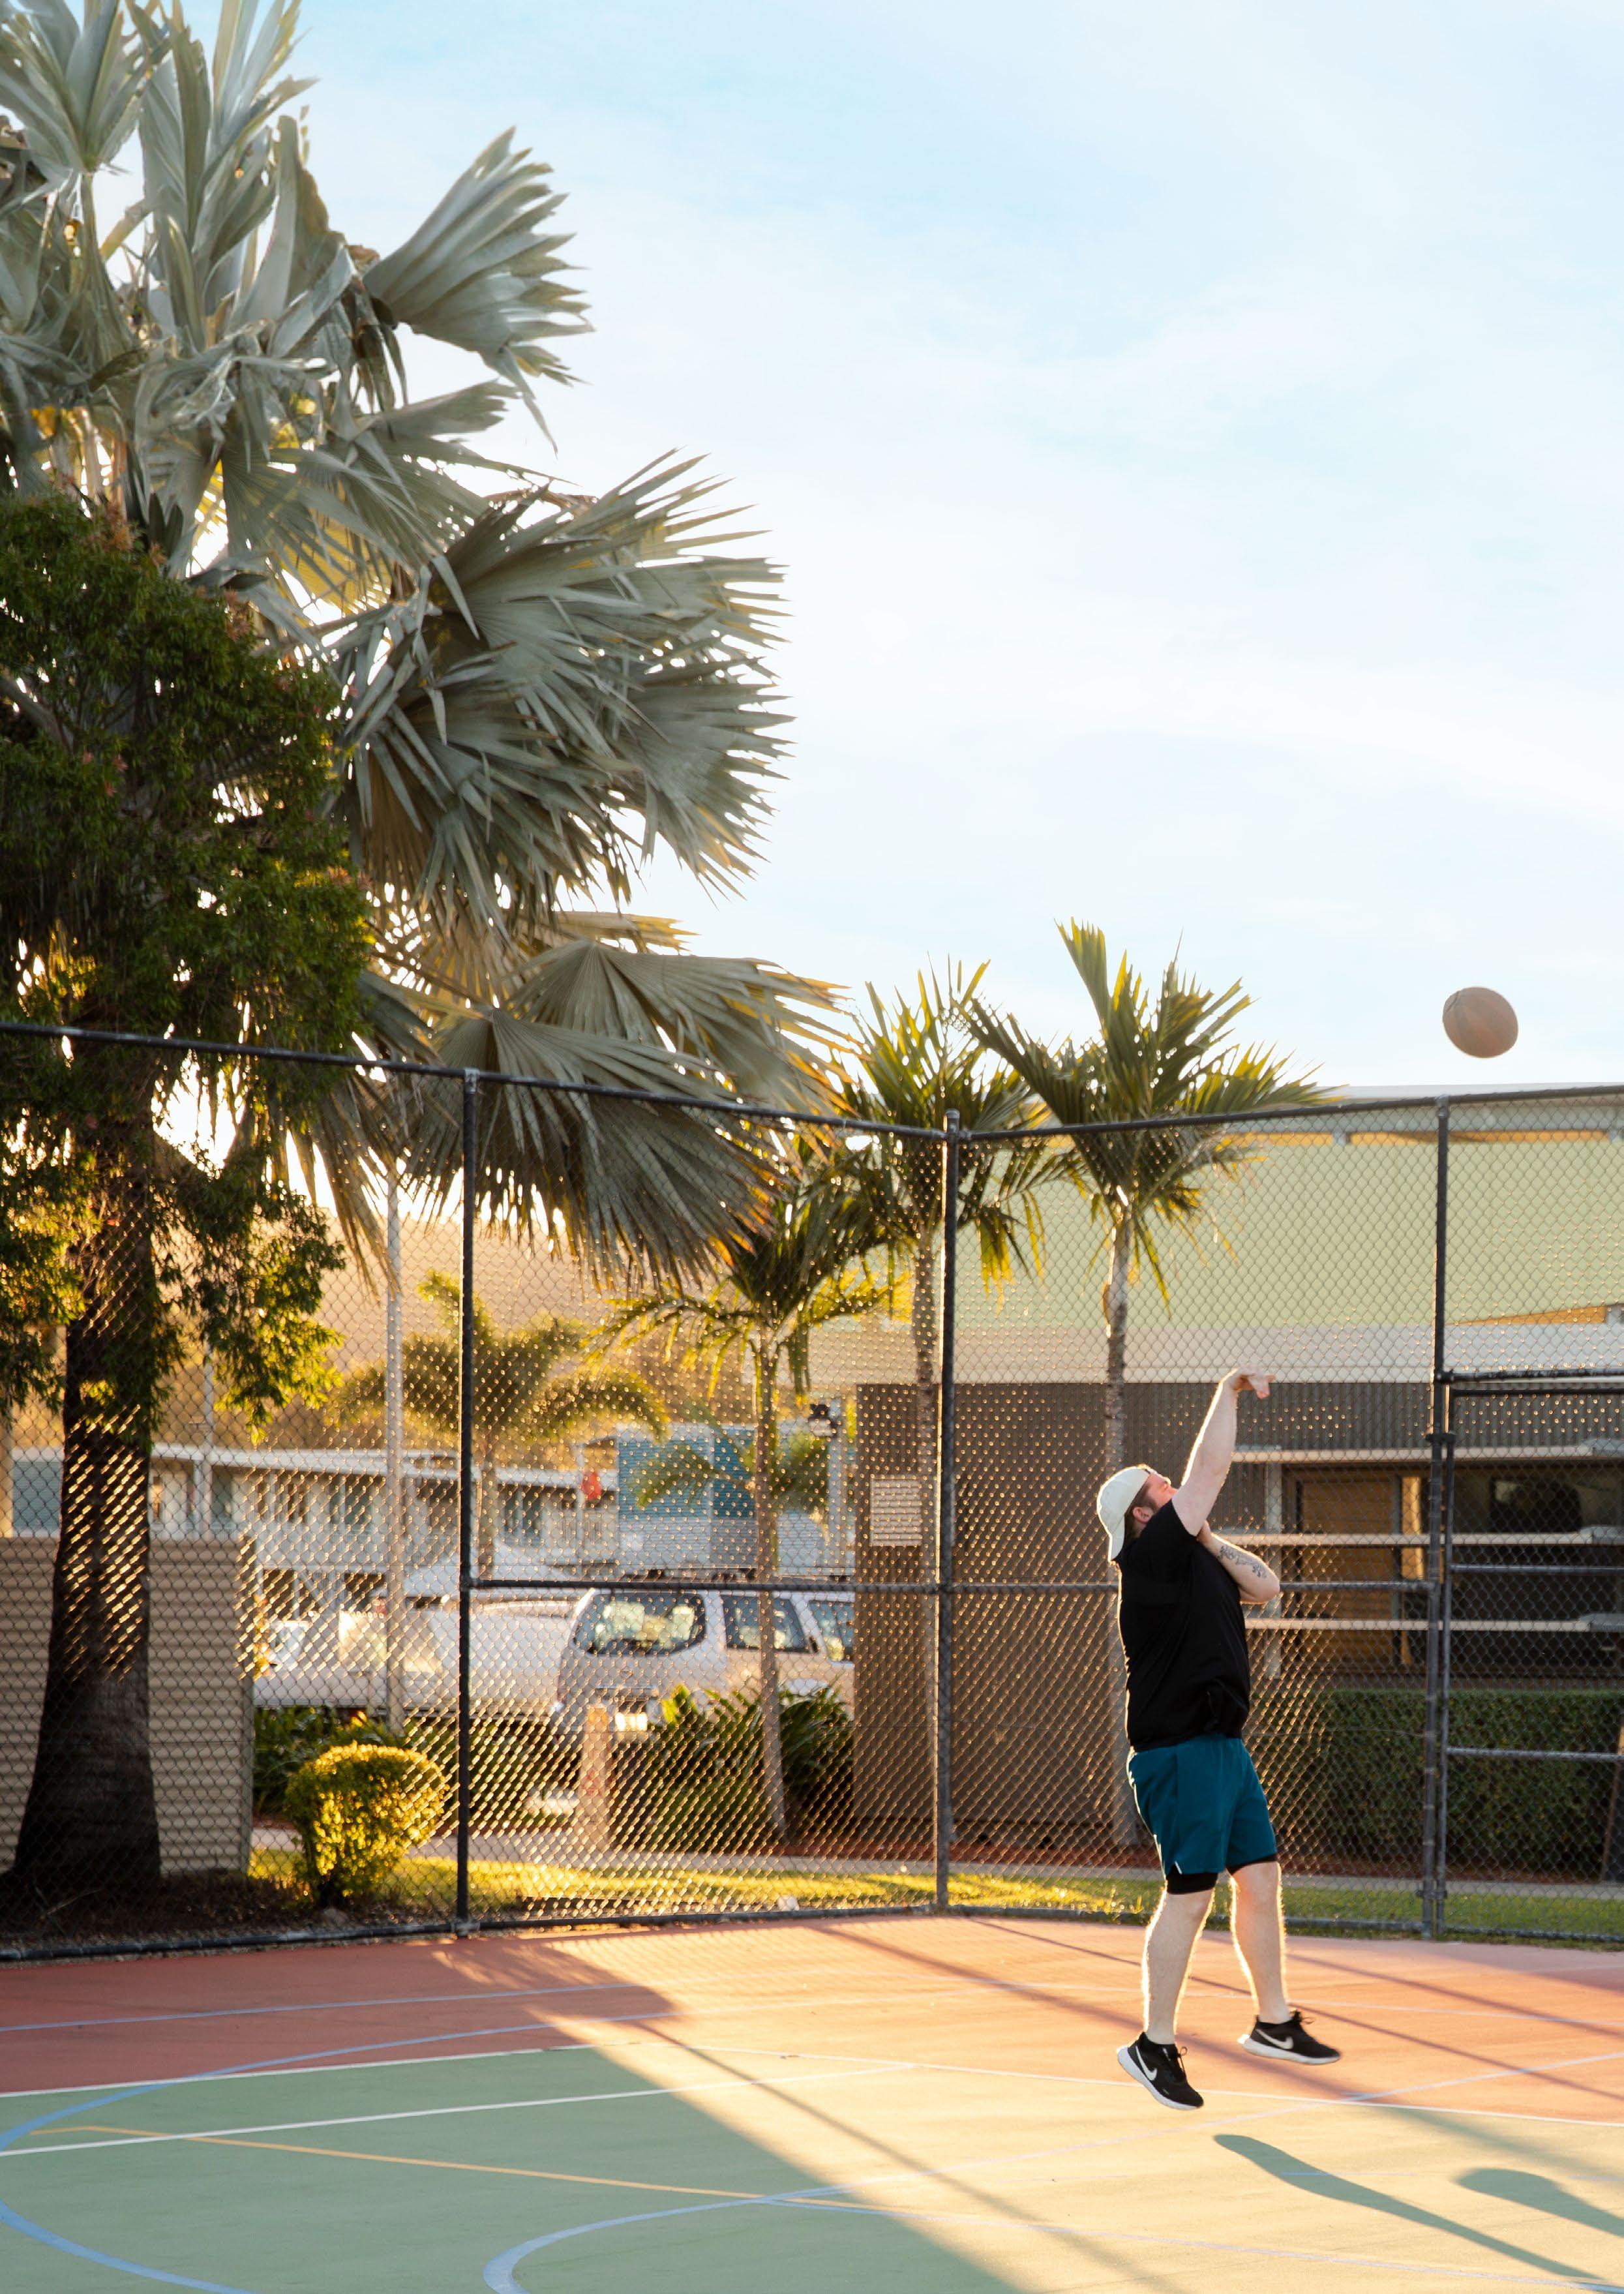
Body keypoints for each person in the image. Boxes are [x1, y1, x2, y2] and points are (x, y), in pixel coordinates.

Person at [1096, 1369, 1342, 2111]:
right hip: (1179, 1752)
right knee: (1190, 1895)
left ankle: (1273, 2022)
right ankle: (1153, 2043)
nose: (1173, 1484)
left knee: (1259, 1879)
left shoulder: (1194, 1553)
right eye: (1160, 1485)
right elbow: (1209, 1468)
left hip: (1224, 1749)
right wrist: (1228, 1391)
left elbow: (1266, 1587)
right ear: (1144, 1516)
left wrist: (1206, 1533)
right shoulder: (1147, 1562)